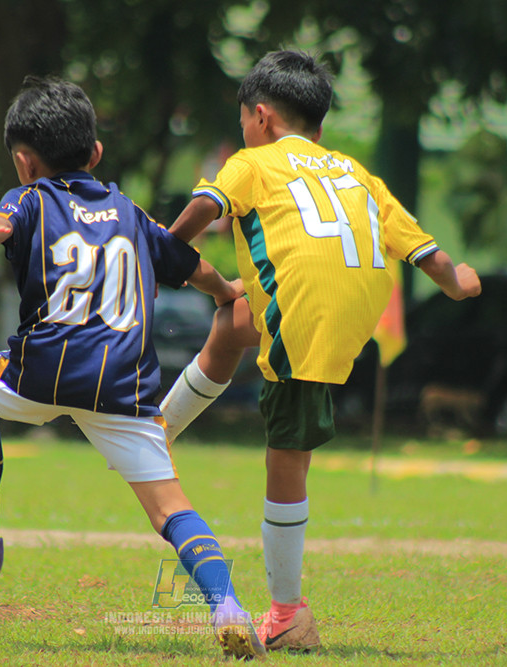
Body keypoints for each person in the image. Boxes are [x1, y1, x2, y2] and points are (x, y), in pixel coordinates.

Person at [0, 75, 265, 660]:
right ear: (96, 153)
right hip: (122, 386)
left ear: (25, 163)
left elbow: (5, 222)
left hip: (41, 370)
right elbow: (188, 263)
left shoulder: (28, 198)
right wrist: (229, 294)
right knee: (171, 507)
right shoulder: (130, 212)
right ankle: (228, 608)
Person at [160, 50, 482, 652]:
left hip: (305, 317)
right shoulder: (357, 173)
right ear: (319, 127)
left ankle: (287, 613)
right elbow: (429, 255)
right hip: (347, 309)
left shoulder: (252, 163)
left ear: (259, 117)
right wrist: (460, 282)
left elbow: (204, 210)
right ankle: (159, 430)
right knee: (234, 319)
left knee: (286, 461)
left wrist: (161, 244)